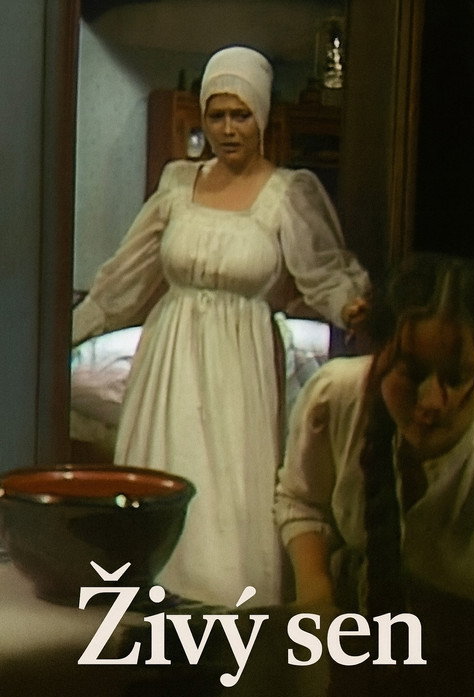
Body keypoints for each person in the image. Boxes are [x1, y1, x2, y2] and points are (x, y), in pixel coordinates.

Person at [73, 45, 369, 608]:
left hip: (240, 363)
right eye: (217, 115)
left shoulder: (288, 193)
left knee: (229, 496)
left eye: (241, 115)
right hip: (171, 359)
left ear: (262, 118)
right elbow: (123, 279)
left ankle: (234, 623)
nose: (228, 129)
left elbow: (325, 274)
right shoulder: (176, 185)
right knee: (164, 479)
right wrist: (67, 332)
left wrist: (351, 307)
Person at [274, 252, 474, 697]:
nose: (431, 401)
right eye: (411, 372)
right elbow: (302, 500)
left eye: (456, 377)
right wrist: (316, 597)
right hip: (355, 650)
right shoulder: (339, 397)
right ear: (377, 355)